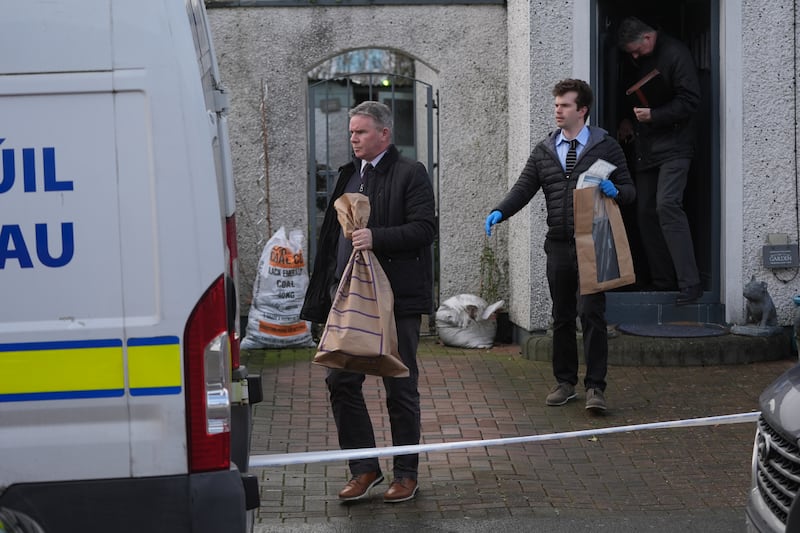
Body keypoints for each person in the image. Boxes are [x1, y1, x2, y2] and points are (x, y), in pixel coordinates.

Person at [300, 101, 435, 503]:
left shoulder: (411, 173)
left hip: (398, 301)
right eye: (351, 132)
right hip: (349, 299)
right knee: (340, 379)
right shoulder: (347, 176)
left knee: (400, 385)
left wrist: (378, 237)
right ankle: (364, 468)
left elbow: (425, 229)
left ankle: (406, 474)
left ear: (384, 134)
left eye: (360, 132)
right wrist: (326, 293)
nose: (353, 138)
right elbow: (331, 242)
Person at [484, 79, 634, 411]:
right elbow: (523, 188)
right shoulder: (544, 150)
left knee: (591, 314)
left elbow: (630, 189)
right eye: (555, 105)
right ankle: (565, 383)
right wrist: (500, 211)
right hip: (558, 245)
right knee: (562, 316)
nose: (557, 110)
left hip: (595, 242)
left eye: (564, 105)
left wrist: (616, 191)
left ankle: (595, 388)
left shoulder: (605, 145)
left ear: (582, 110)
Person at [617, 16, 703, 305]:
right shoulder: (639, 61)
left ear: (648, 38)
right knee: (644, 212)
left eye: (635, 50)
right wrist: (627, 119)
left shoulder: (676, 54)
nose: (633, 56)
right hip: (646, 147)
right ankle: (663, 280)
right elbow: (629, 95)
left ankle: (690, 285)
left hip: (677, 145)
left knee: (667, 205)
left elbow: (691, 100)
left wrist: (655, 115)